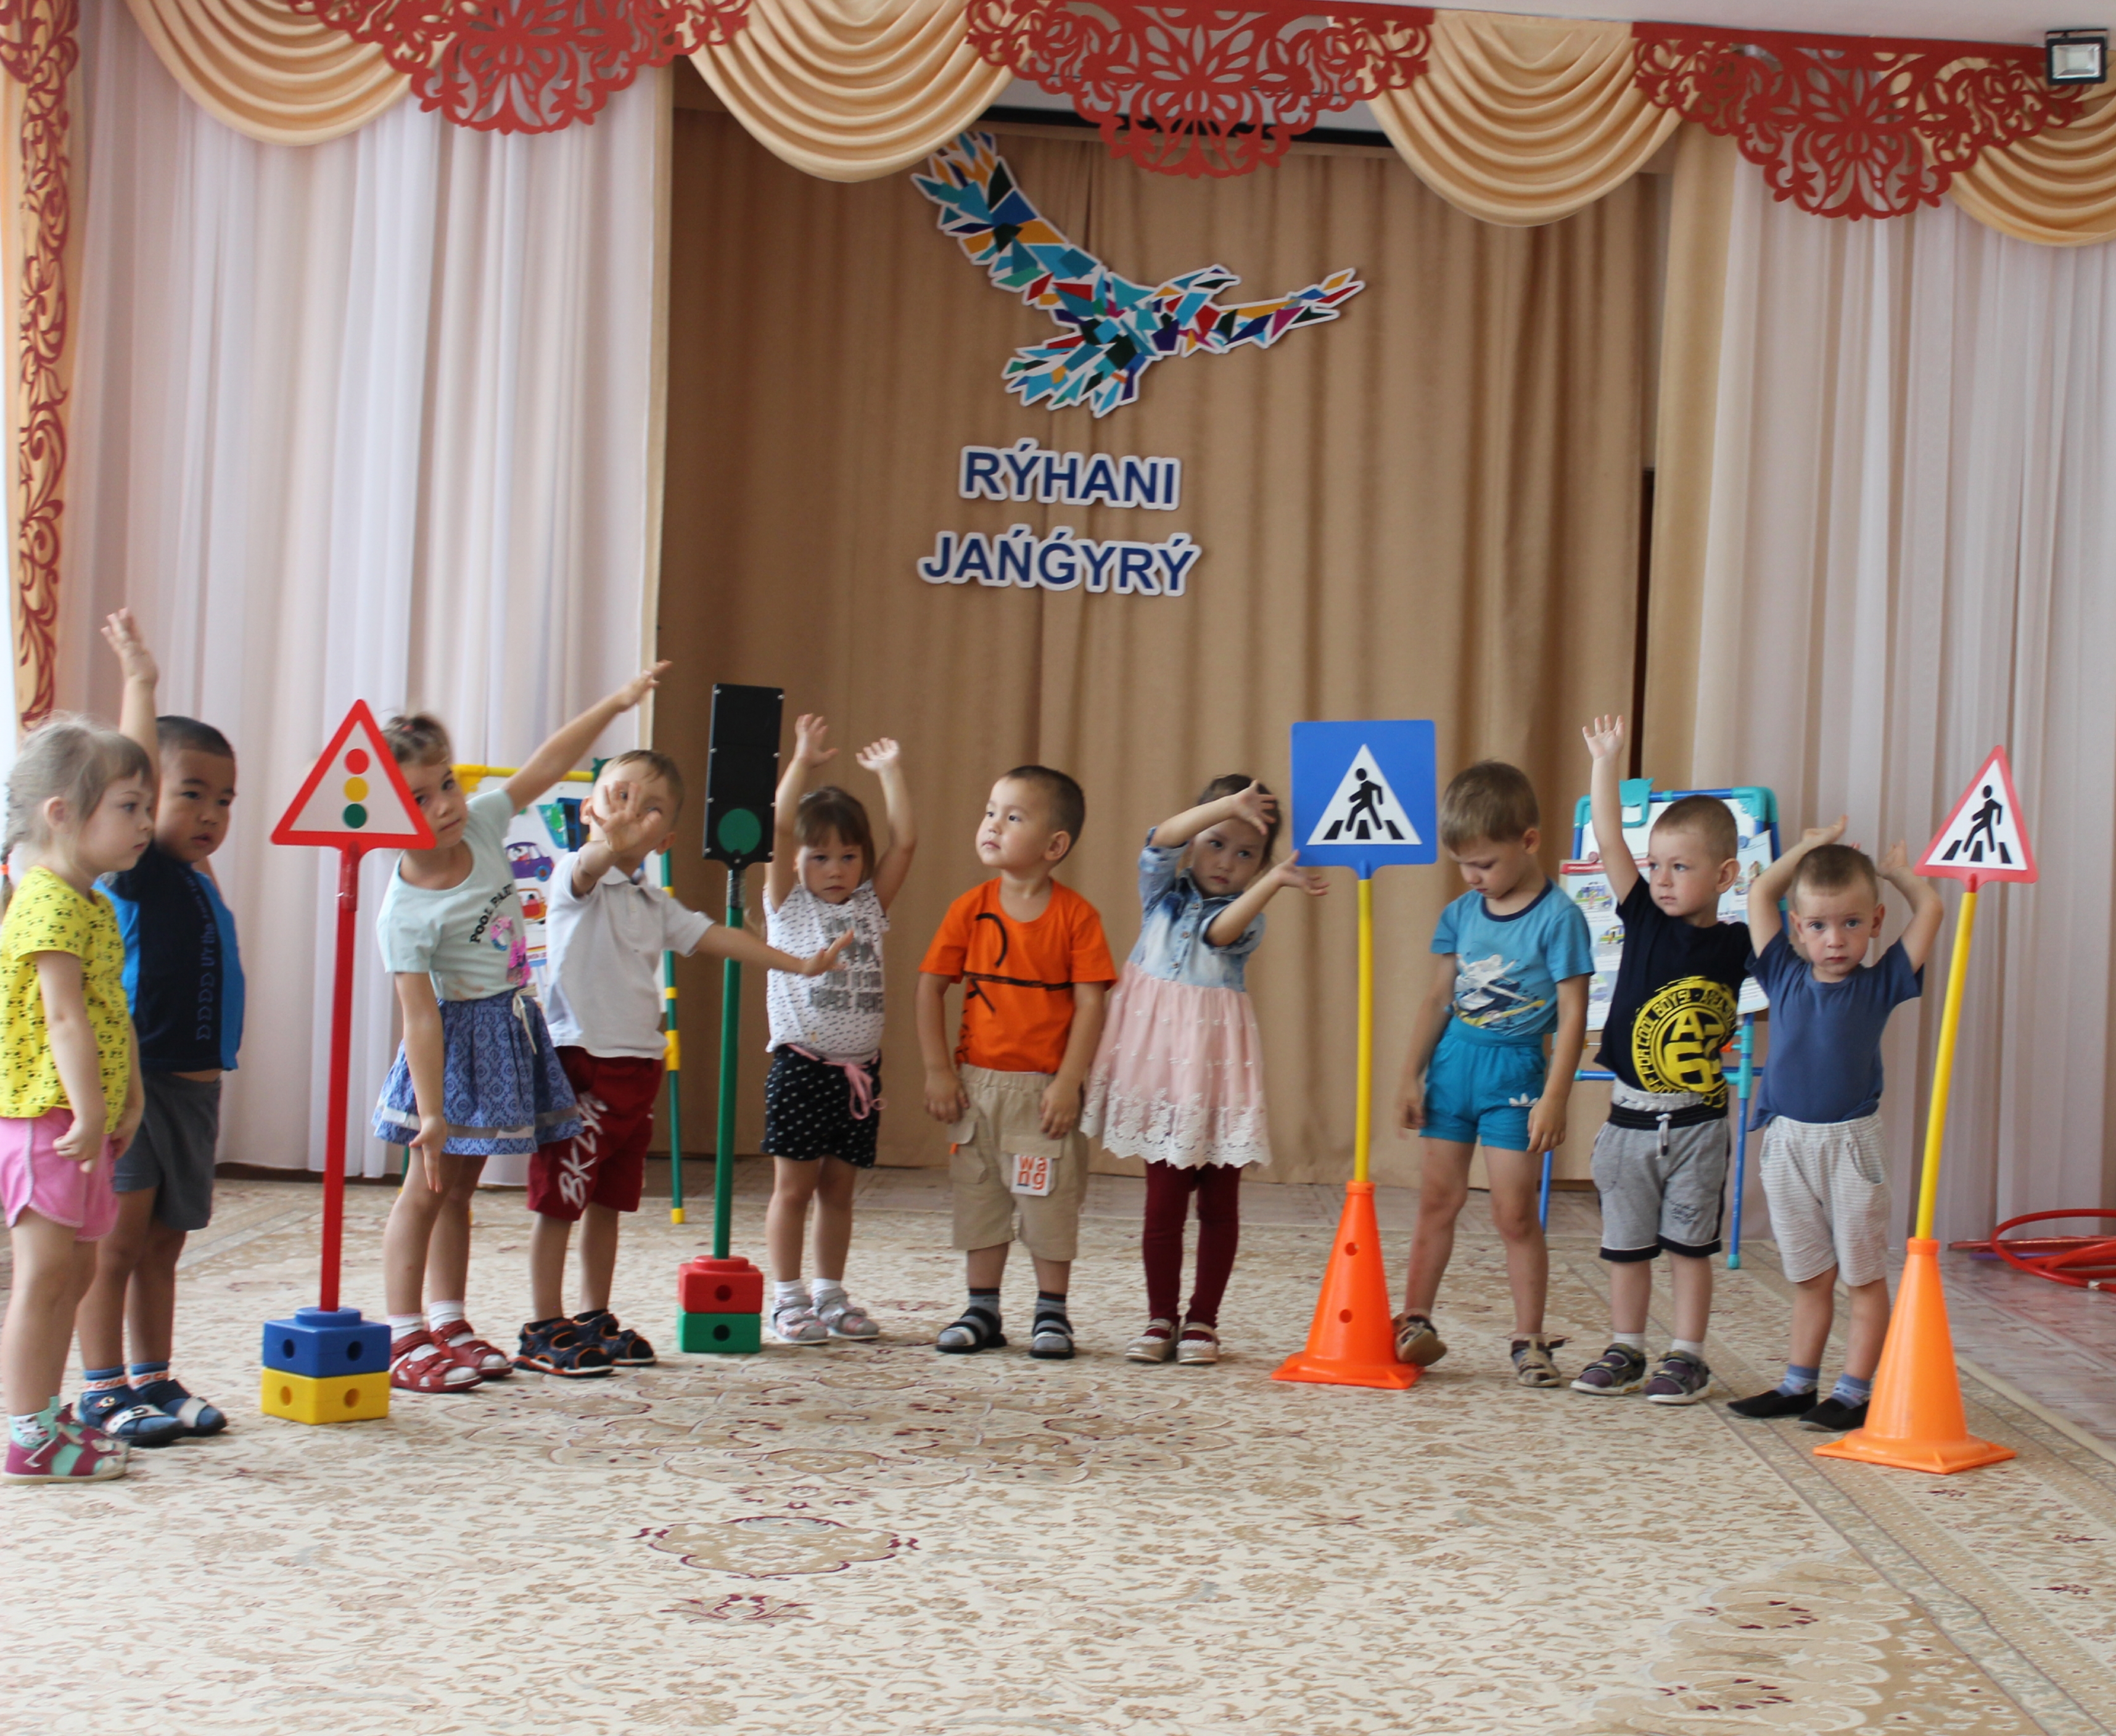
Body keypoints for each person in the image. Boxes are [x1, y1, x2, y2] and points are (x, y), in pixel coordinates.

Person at [371, 668, 665, 1393]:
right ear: (384, 812)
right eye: (419, 797)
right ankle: (403, 1333)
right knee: (424, 1190)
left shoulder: (480, 823)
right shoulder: (403, 911)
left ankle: (448, 1320)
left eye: (446, 783)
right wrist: (432, 1112)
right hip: (451, 1046)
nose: (444, 804)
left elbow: (545, 765)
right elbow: (418, 1016)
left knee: (460, 1191)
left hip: (507, 1026)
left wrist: (615, 703)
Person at [518, 748, 851, 1375]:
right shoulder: (573, 878)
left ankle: (592, 1315)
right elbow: (590, 864)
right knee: (559, 1201)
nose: (629, 813)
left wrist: (799, 963)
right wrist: (608, 843)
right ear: (589, 809)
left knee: (609, 1202)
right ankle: (542, 1325)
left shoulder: (651, 900)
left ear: (666, 838)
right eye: (618, 797)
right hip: (582, 1065)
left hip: (637, 1070)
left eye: (649, 809)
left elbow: (717, 937)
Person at [70, 611, 242, 1446]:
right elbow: (130, 768)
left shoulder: (198, 877)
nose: (210, 812)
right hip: (134, 1087)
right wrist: (141, 683)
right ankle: (102, 1388)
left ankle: (154, 1375)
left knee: (166, 1241)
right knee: (118, 1240)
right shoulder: (134, 872)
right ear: (140, 807)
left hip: (195, 1089)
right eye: (190, 793)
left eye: (224, 799)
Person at [1082, 776, 1325, 1366]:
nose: (1225, 862)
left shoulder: (1249, 912)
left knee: (1219, 1205)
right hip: (1160, 1074)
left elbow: (1220, 933)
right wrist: (1226, 807)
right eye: (1215, 842)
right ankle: (1159, 1315)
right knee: (1162, 1204)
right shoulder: (1161, 893)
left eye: (1245, 854)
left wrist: (1272, 882)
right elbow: (1161, 839)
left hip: (1216, 1075)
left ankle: (1203, 1320)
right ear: (1196, 838)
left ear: (1260, 864)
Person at [1728, 822, 1940, 1433]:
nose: (1835, 939)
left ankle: (1855, 1392)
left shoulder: (1881, 982)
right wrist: (1804, 848)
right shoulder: (1782, 972)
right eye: (1818, 925)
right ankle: (1797, 1384)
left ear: (1875, 922)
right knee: (1809, 1273)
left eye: (1850, 923)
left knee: (1861, 1275)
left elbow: (1930, 910)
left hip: (1849, 1146)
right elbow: (1760, 892)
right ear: (1797, 928)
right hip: (1787, 1143)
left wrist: (1898, 874)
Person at [1393, 761, 1592, 1387]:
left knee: (1513, 1213)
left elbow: (1573, 1011)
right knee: (1437, 1199)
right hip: (1453, 1067)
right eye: (1462, 864)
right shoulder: (1460, 913)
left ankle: (1528, 1338)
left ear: (1528, 841)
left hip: (1516, 1075)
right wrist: (1409, 1075)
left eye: (1483, 863)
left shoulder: (1559, 918)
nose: (1471, 877)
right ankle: (1414, 1320)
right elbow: (1437, 999)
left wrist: (1555, 1096)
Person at [1572, 715, 1750, 1405]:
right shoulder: (1642, 914)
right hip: (1629, 1122)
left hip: (1698, 1124)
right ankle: (1626, 1347)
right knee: (1625, 1246)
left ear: (1724, 874)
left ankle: (1687, 1355)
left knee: (1689, 1246)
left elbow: (1785, 948)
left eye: (1681, 866)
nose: (1663, 879)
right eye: (1657, 866)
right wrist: (1605, 761)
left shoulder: (1736, 943)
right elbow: (1608, 836)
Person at [1, 718, 154, 1481]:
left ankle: (49, 1410)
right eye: (129, 807)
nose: (146, 823)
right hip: (46, 1119)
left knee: (81, 1267)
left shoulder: (92, 901)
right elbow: (64, 1017)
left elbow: (110, 1012)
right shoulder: (47, 902)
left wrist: (129, 1098)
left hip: (85, 1119)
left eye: (146, 806)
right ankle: (26, 1432)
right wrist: (91, 1110)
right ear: (61, 813)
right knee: (46, 1274)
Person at [918, 766, 1114, 1359]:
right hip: (976, 1090)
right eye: (990, 811)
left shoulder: (1077, 916)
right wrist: (938, 1070)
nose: (992, 825)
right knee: (979, 1199)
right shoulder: (968, 909)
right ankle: (981, 1309)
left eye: (1012, 816)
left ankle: (1052, 1312)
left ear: (1054, 845)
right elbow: (929, 987)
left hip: (1042, 1094)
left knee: (1047, 1202)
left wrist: (1069, 1082)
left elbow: (1091, 1002)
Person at [760, 715, 915, 1345]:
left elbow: (905, 843)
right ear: (797, 862)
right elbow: (777, 827)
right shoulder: (787, 906)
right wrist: (800, 762)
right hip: (802, 1067)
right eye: (819, 856)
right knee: (793, 1189)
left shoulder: (868, 906)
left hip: (859, 1075)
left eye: (848, 856)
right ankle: (787, 1298)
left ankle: (829, 1293)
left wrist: (890, 773)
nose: (835, 868)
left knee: (839, 1191)